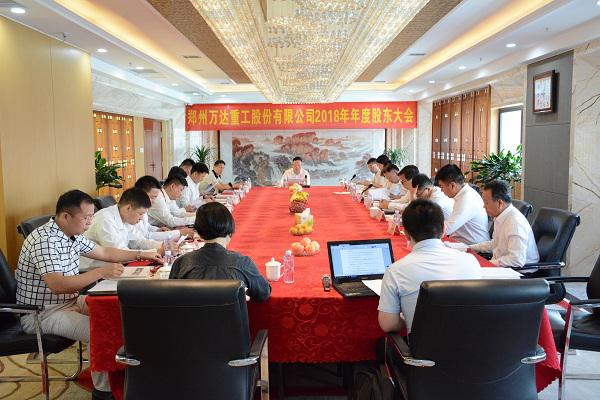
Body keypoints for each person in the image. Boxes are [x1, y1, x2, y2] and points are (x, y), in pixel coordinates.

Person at [15, 190, 161, 400]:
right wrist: (101, 272)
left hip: (69, 301)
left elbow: (105, 252)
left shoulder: (71, 235)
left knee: (119, 316)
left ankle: (122, 381)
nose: (90, 222)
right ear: (66, 216)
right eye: (86, 217)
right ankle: (103, 392)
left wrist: (141, 254)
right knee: (101, 332)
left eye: (91, 216)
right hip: (42, 313)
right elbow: (57, 285)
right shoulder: (44, 240)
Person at [378, 199, 481, 334]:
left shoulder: (395, 271)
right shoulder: (470, 261)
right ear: (444, 229)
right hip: (472, 344)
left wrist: (407, 318)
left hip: (424, 347)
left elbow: (388, 325)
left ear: (406, 234)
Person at [169, 202, 271, 302]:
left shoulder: (181, 263)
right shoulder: (242, 263)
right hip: (231, 314)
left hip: (191, 313)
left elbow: (172, 299)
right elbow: (263, 293)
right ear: (231, 230)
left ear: (199, 233)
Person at [470, 180, 539, 269]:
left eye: (486, 203)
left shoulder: (515, 223)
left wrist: (488, 264)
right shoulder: (500, 216)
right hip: (503, 266)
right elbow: (496, 243)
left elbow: (517, 260)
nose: (484, 206)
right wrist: (471, 248)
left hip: (519, 272)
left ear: (500, 203)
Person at [83, 187, 162, 254]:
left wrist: (162, 246)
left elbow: (138, 241)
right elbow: (118, 252)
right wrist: (154, 252)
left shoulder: (126, 218)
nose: (141, 218)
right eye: (140, 214)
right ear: (128, 208)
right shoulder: (105, 219)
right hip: (94, 266)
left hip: (114, 263)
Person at [435, 164, 490, 244]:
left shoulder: (467, 198)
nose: (441, 191)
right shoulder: (462, 194)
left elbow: (446, 229)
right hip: (460, 242)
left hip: (474, 246)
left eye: (442, 187)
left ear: (452, 185)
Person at [133, 176, 194, 240]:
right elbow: (144, 237)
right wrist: (179, 233)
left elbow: (146, 226)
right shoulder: (158, 199)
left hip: (153, 233)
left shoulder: (163, 197)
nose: (154, 201)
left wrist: (157, 230)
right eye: (181, 190)